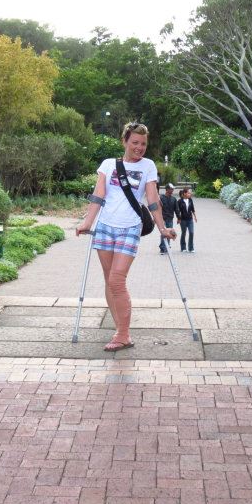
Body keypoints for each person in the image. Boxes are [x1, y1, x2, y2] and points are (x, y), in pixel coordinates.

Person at [76, 122, 177, 352]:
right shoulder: (108, 164)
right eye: (135, 143)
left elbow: (153, 200)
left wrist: (162, 228)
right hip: (105, 227)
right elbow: (98, 195)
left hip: (130, 227)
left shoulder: (148, 166)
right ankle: (119, 328)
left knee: (116, 280)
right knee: (108, 279)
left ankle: (123, 334)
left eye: (143, 143)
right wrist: (87, 222)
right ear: (124, 141)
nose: (139, 147)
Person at [176, 187, 198, 253]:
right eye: (188, 193)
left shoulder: (190, 200)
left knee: (191, 232)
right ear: (184, 193)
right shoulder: (179, 201)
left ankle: (191, 248)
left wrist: (195, 217)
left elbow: (193, 209)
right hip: (183, 220)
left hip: (190, 219)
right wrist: (178, 218)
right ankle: (183, 248)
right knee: (184, 233)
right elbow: (178, 211)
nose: (190, 194)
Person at [159, 183, 178, 254]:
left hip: (170, 218)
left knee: (170, 232)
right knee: (163, 233)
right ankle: (163, 248)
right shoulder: (161, 198)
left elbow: (177, 209)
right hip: (163, 218)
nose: (172, 190)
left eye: (173, 189)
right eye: (171, 189)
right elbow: (158, 208)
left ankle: (166, 246)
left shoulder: (174, 199)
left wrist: (179, 217)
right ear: (167, 189)